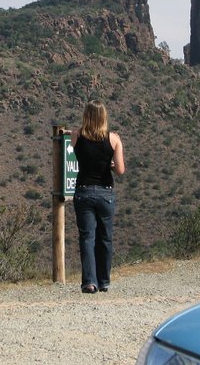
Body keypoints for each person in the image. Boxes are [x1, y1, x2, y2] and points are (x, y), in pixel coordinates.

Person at [70, 100, 126, 294]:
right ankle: (104, 281)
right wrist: (109, 164)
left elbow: (82, 156)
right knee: (105, 238)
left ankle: (89, 282)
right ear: (104, 116)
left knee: (87, 237)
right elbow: (120, 170)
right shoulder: (114, 139)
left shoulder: (76, 136)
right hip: (105, 191)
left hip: (84, 190)